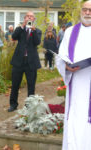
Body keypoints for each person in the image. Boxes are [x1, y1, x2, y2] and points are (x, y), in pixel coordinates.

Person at [56, 1, 91, 149]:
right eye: (85, 10)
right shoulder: (70, 32)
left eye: (90, 10)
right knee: (76, 120)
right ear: (80, 11)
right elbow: (60, 56)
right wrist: (65, 66)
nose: (87, 13)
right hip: (76, 84)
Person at [8, 11, 42, 112]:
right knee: (15, 85)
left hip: (31, 62)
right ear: (24, 18)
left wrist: (33, 30)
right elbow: (14, 37)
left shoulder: (37, 31)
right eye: (27, 16)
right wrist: (23, 26)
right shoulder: (20, 29)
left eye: (31, 16)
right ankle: (13, 104)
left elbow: (37, 42)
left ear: (34, 19)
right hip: (19, 61)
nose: (29, 18)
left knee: (31, 86)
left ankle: (29, 106)